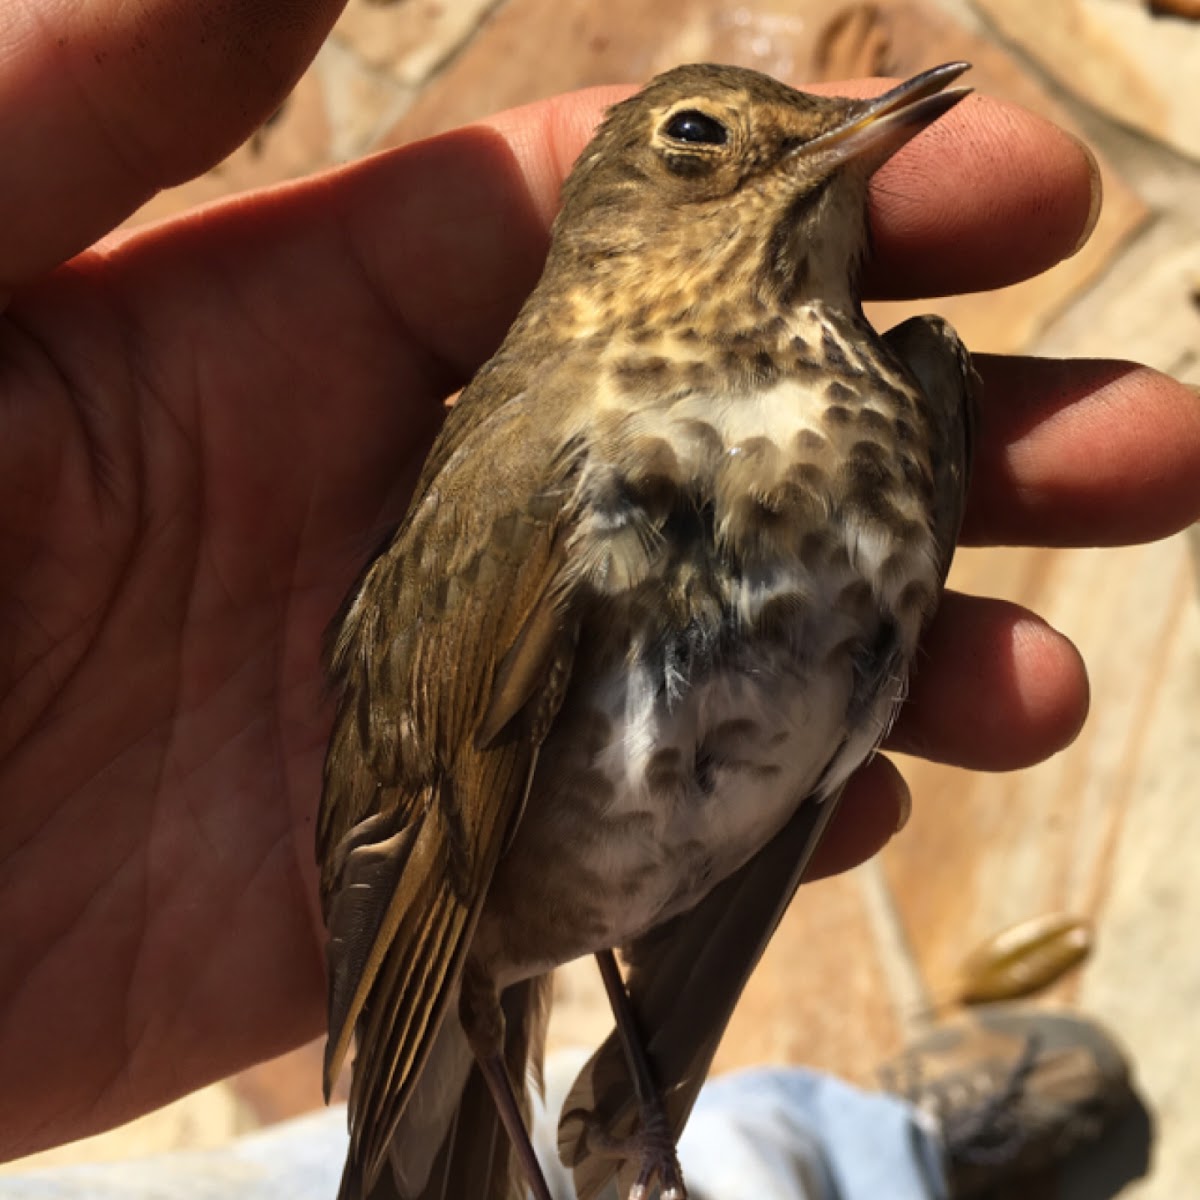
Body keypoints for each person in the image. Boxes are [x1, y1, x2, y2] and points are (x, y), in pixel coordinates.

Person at [0, 0, 1193, 1192]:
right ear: (614, 222)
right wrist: (433, 1009)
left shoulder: (906, 395)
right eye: (700, 140)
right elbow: (432, 843)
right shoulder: (544, 448)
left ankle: (780, 1148)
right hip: (479, 904)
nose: (801, 152)